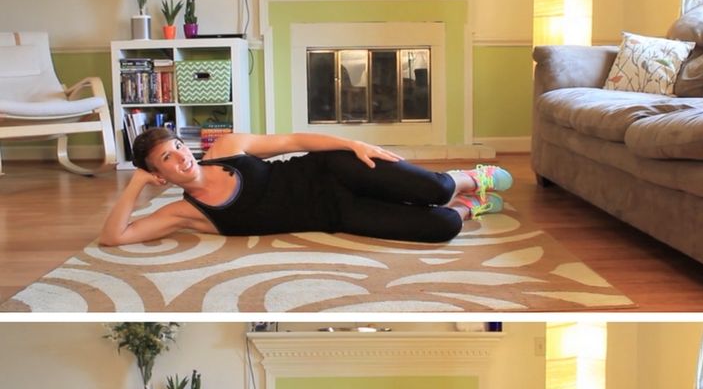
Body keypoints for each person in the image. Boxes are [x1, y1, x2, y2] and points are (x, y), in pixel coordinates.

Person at [99, 129, 513, 246]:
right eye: (166, 160)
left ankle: (470, 178)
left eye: (177, 147)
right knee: (442, 226)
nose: (180, 157)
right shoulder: (185, 213)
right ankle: (470, 205)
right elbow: (115, 237)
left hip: (334, 170)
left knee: (437, 189)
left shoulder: (226, 147)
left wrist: (350, 144)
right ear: (160, 175)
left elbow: (293, 142)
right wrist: (135, 184)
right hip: (336, 214)